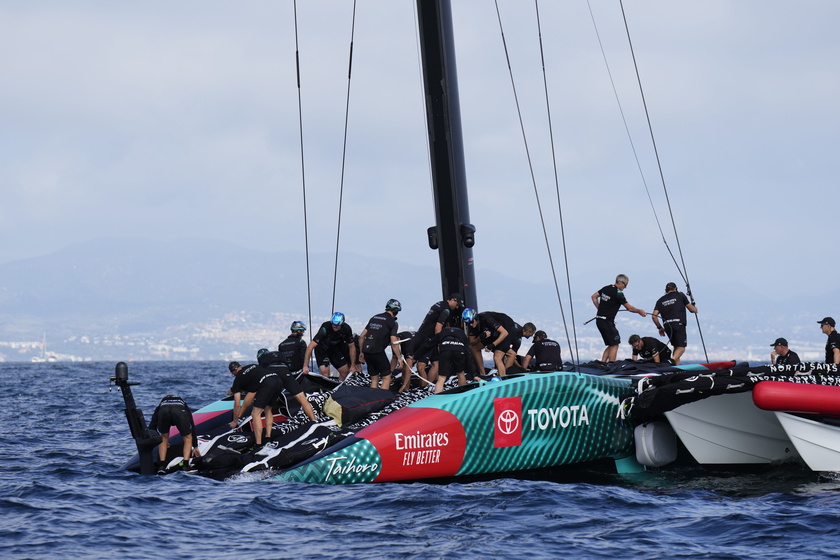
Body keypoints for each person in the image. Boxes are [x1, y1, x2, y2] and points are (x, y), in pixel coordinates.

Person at [227, 361, 317, 446]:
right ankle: (268, 437)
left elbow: (238, 404)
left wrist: (235, 421)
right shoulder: (253, 366)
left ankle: (258, 444)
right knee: (268, 409)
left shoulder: (238, 379)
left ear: (232, 373)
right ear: (241, 366)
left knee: (255, 413)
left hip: (266, 384)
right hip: (277, 380)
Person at [407, 293, 464, 386]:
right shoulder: (446, 310)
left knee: (436, 363)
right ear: (452, 300)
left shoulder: (439, 304)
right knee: (421, 366)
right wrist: (440, 343)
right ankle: (424, 388)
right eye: (457, 304)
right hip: (429, 339)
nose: (457, 307)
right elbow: (438, 327)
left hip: (423, 335)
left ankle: (430, 386)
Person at [462, 308, 534, 377]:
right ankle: (483, 374)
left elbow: (504, 333)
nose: (470, 325)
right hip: (493, 333)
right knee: (473, 348)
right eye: (467, 323)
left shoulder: (487, 319)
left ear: (476, 318)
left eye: (471, 322)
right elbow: (472, 342)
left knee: (497, 356)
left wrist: (493, 345)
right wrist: (480, 337)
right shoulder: (472, 325)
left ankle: (504, 377)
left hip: (507, 329)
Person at [591, 274, 647, 363]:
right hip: (607, 321)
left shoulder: (606, 288)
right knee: (615, 344)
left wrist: (600, 309)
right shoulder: (618, 293)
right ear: (620, 282)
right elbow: (629, 308)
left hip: (599, 320)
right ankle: (611, 365)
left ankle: (602, 363)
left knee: (611, 344)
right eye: (625, 285)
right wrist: (639, 311)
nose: (625, 287)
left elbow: (594, 297)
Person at [358, 299, 409, 390]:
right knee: (387, 377)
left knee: (374, 378)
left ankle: (372, 399)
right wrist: (399, 358)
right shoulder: (392, 322)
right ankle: (381, 399)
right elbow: (393, 341)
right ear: (396, 311)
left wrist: (361, 353)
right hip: (377, 351)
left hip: (366, 351)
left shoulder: (375, 317)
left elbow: (362, 336)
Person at [148, 394, 200, 473]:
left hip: (164, 411)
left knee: (164, 437)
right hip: (179, 411)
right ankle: (186, 465)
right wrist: (195, 446)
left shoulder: (161, 405)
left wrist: (158, 440)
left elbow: (152, 426)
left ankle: (162, 466)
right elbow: (192, 425)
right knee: (187, 437)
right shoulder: (183, 404)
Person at [651, 282, 698, 365]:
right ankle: (671, 361)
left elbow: (654, 316)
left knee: (676, 347)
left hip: (667, 326)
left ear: (666, 290)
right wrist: (695, 309)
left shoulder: (660, 300)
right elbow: (691, 309)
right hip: (678, 324)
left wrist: (660, 328)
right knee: (681, 348)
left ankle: (676, 368)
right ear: (675, 289)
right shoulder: (680, 295)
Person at [303, 312, 356, 380]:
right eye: (333, 325)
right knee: (325, 374)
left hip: (334, 350)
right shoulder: (325, 328)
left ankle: (338, 388)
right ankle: (325, 389)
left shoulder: (346, 329)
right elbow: (310, 347)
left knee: (345, 372)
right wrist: (305, 366)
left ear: (342, 324)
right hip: (322, 350)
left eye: (337, 326)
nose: (335, 327)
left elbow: (352, 347)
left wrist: (353, 365)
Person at [434, 325, 472, 393]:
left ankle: (437, 399)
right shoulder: (462, 333)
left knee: (441, 377)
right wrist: (473, 373)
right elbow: (467, 351)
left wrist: (415, 357)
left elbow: (432, 344)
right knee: (460, 373)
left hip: (445, 349)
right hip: (459, 350)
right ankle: (462, 395)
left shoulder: (442, 332)